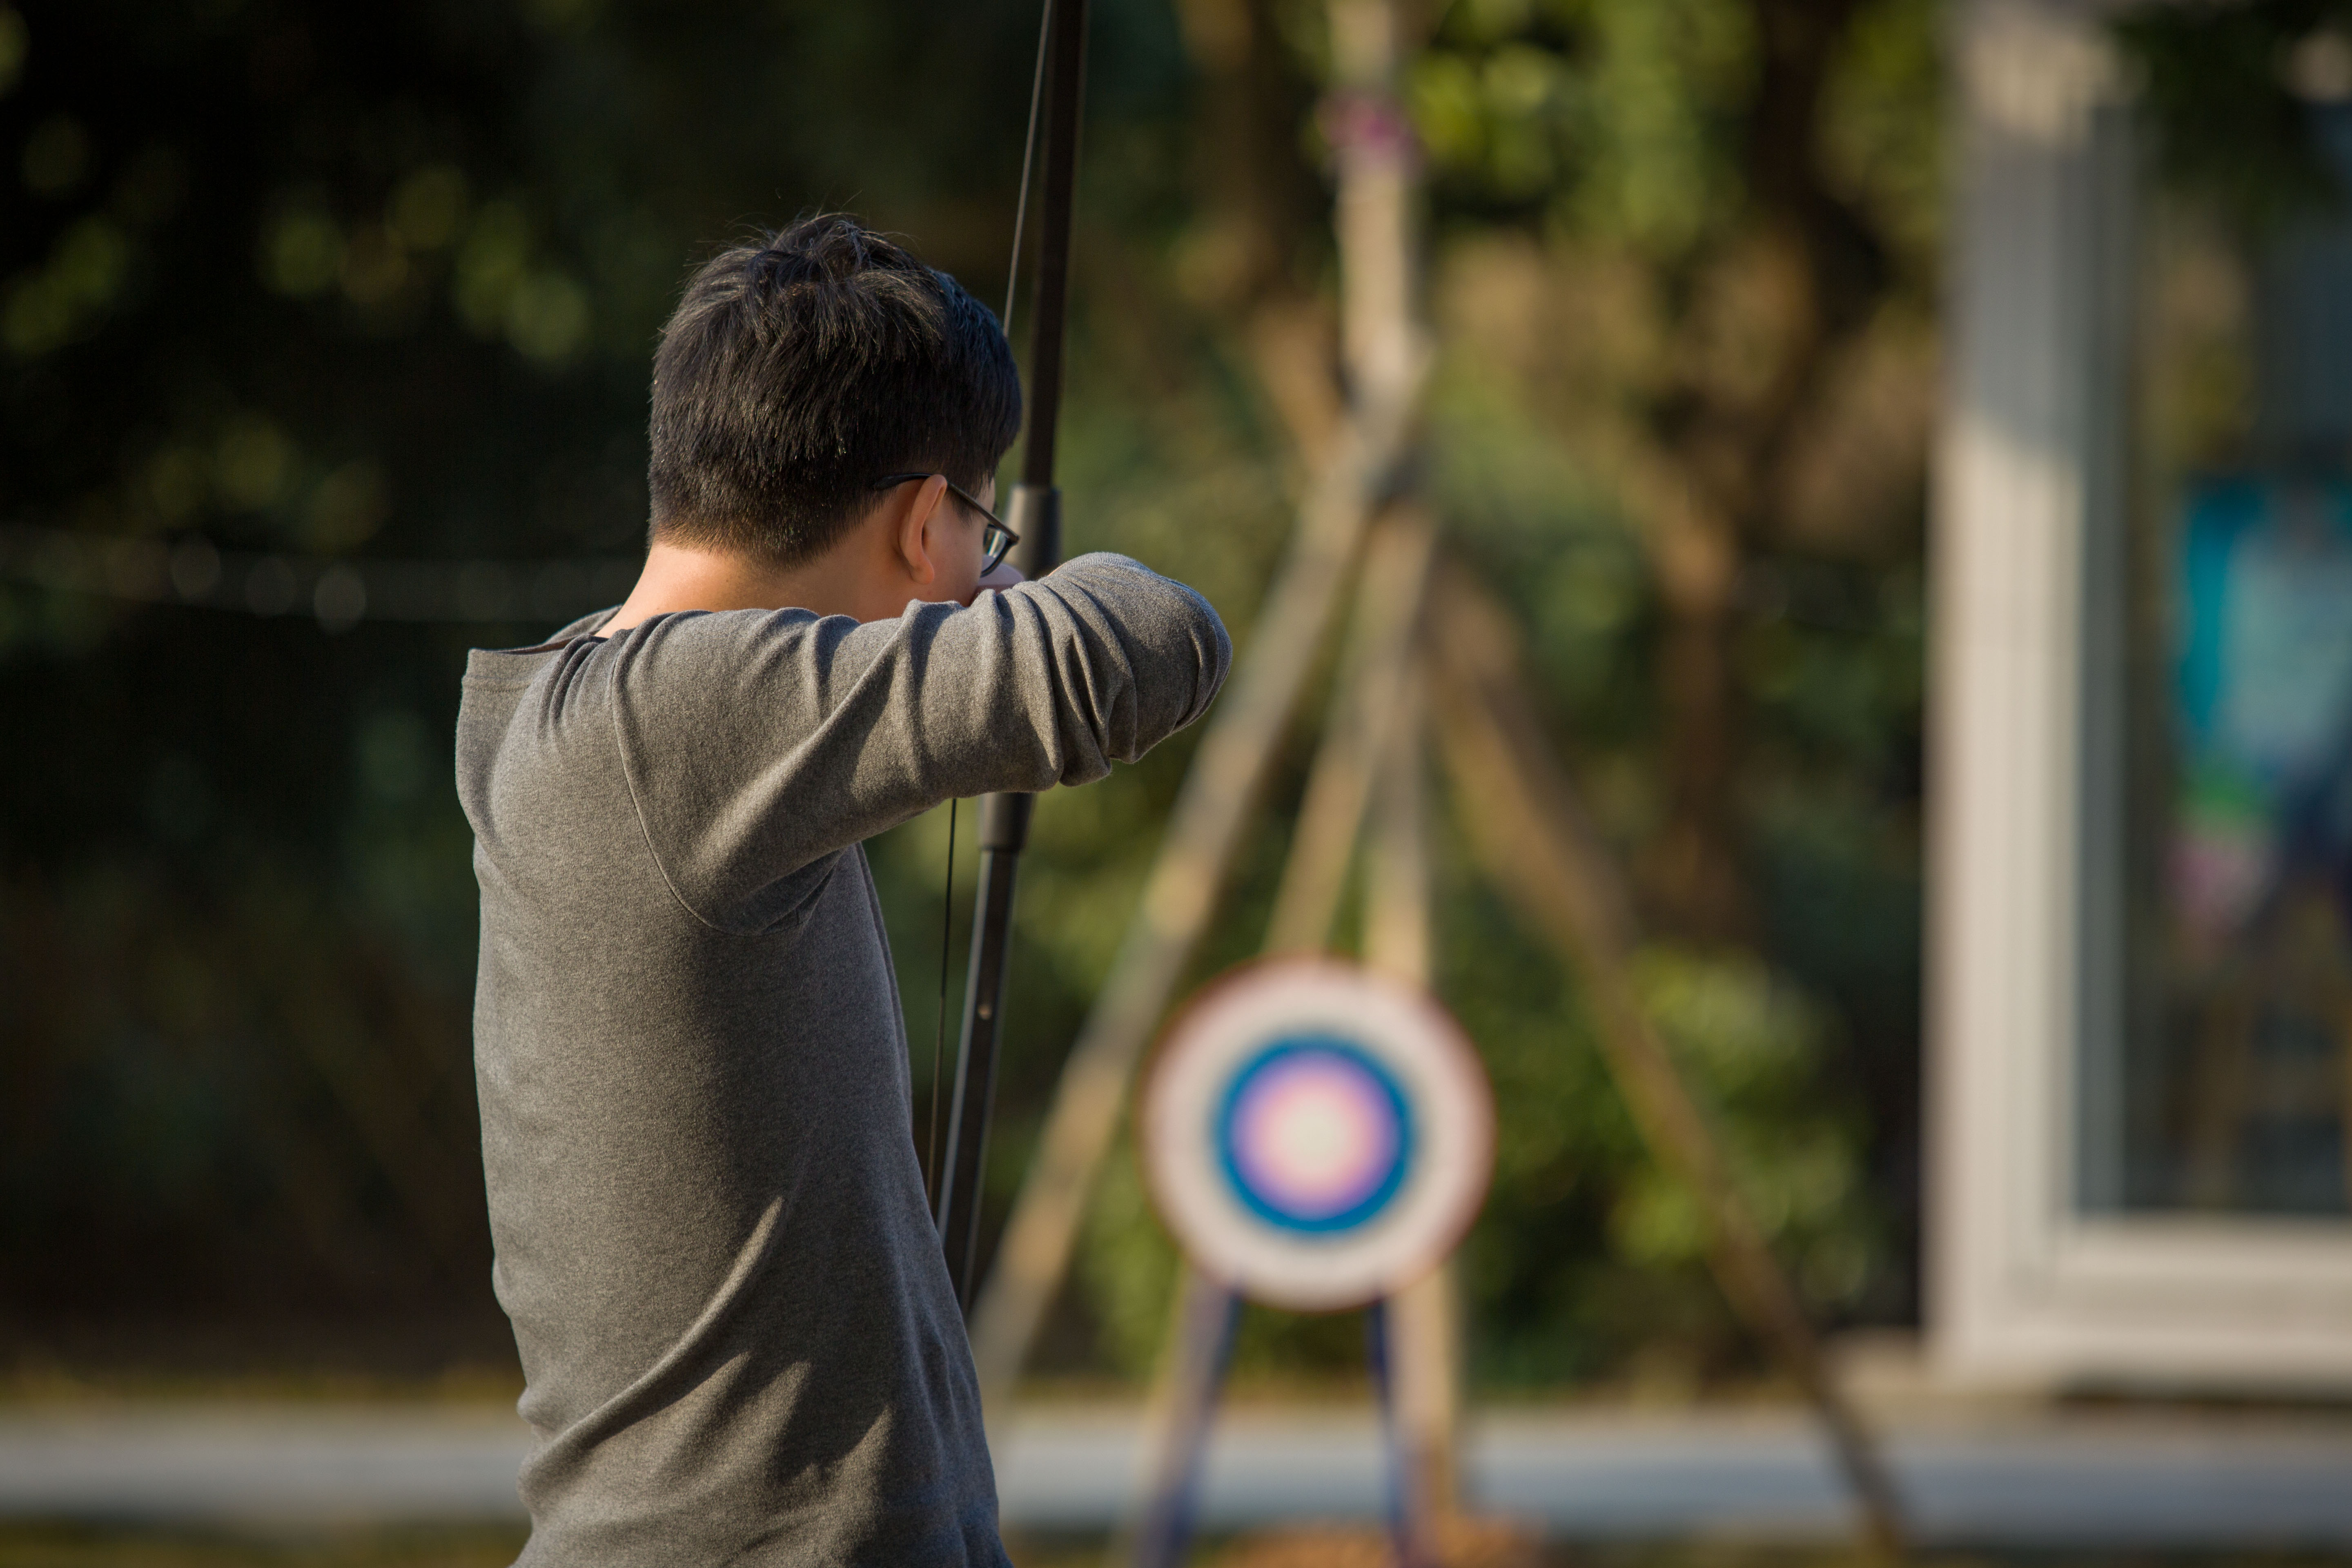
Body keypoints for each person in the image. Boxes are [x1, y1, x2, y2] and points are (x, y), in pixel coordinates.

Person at [454, 214, 1232, 1566]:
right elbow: (1142, 643)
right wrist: (1017, 593)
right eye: (975, 536)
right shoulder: (676, 718)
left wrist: (977, 582)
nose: (984, 571)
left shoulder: (612, 706)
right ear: (924, 515)